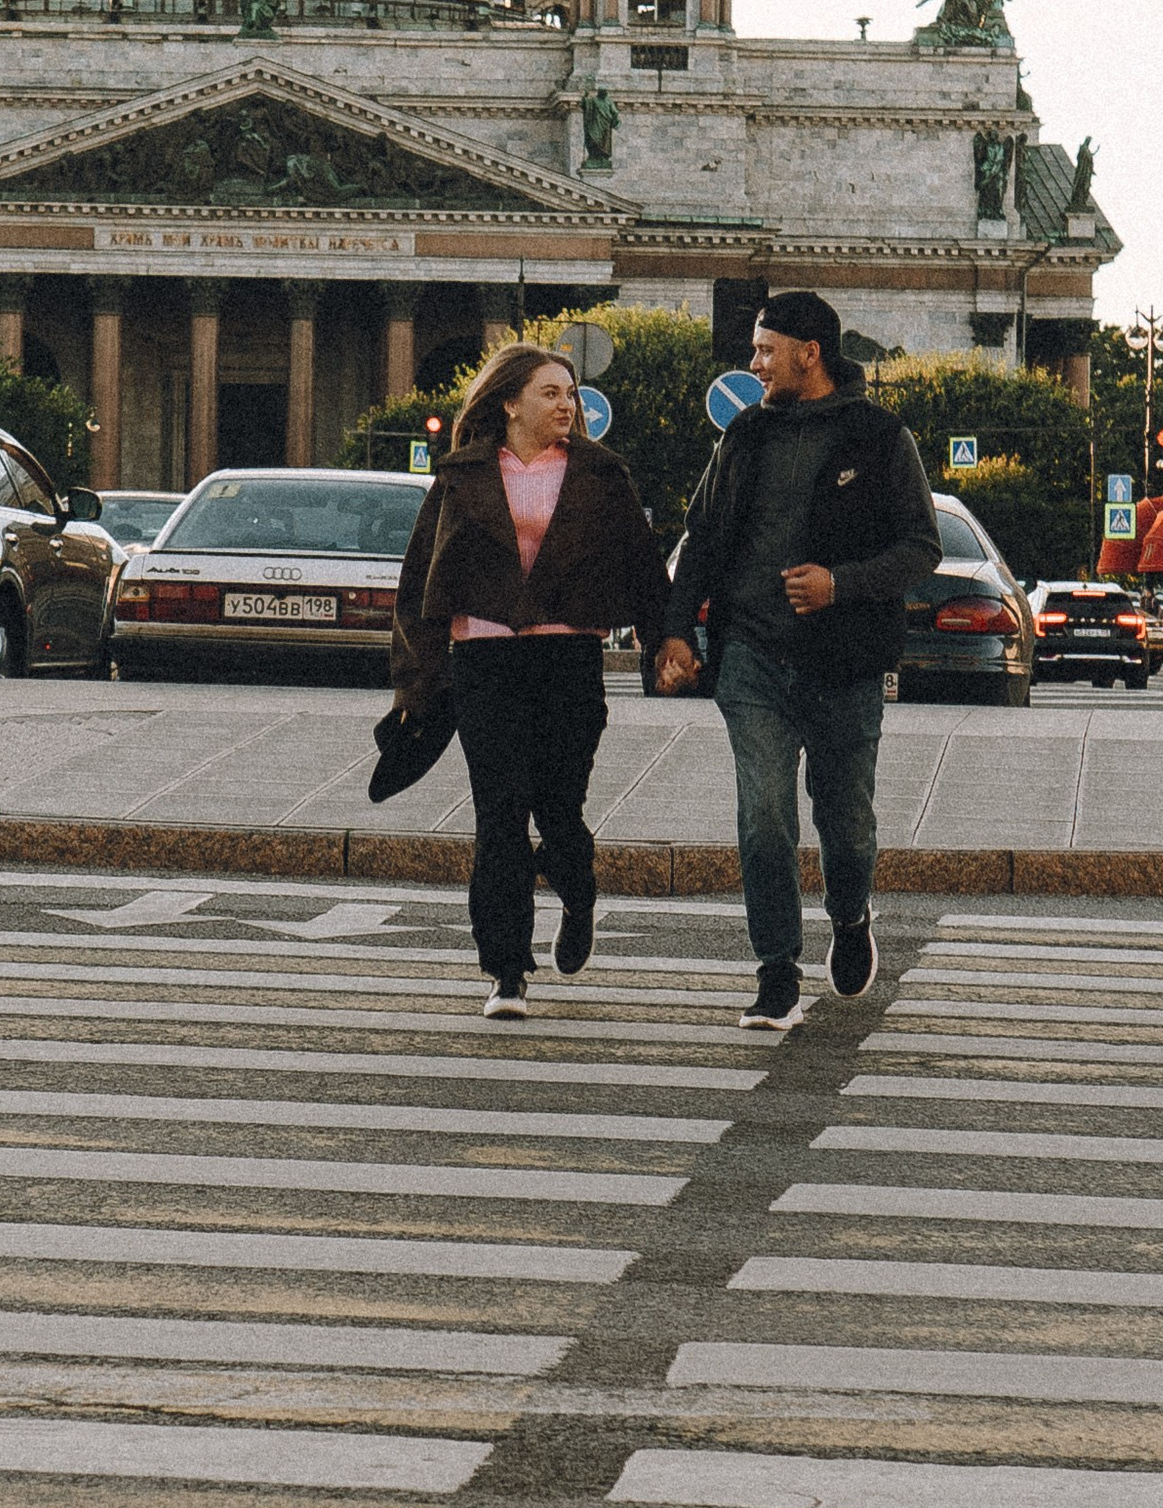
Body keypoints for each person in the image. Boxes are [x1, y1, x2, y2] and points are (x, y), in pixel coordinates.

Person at [655, 289, 937, 1030]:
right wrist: (678, 633)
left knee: (845, 820)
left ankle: (850, 917)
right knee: (764, 816)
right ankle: (775, 969)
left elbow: (921, 547)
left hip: (843, 661)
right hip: (752, 656)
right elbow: (703, 538)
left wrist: (838, 584)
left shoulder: (879, 436)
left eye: (765, 350)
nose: (754, 364)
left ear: (810, 354)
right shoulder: (744, 435)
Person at [390, 342, 670, 1016]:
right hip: (485, 661)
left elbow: (643, 566)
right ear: (510, 402)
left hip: (567, 662)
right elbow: (421, 582)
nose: (566, 404)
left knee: (559, 810)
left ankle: (578, 892)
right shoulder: (461, 475)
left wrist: (670, 647)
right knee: (500, 814)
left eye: (570, 393)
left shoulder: (602, 474)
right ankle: (507, 970)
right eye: (551, 393)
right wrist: (416, 680)